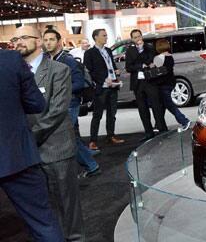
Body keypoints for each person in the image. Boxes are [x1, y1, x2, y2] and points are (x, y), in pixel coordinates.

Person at [13, 26, 84, 241]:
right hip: (27, 155)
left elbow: (57, 111)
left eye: (24, 37)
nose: (18, 42)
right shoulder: (13, 73)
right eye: (15, 39)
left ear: (39, 41)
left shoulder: (58, 70)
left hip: (56, 149)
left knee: (68, 208)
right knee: (41, 210)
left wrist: (28, 139)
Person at [0, 49, 64, 241]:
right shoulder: (10, 59)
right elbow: (36, 103)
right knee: (42, 222)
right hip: (15, 155)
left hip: (14, 156)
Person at [42, 29, 101, 178]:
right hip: (57, 104)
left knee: (68, 138)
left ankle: (91, 165)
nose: (48, 42)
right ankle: (90, 161)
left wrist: (57, 90)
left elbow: (79, 83)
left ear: (59, 41)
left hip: (70, 103)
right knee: (72, 136)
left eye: (51, 39)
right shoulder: (47, 60)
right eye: (46, 40)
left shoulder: (67, 60)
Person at [83, 29, 125, 150]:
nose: (106, 37)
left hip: (113, 85)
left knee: (112, 113)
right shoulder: (89, 53)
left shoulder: (107, 50)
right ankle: (93, 141)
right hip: (101, 87)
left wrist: (116, 72)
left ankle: (111, 136)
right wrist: (103, 80)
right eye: (104, 35)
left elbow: (111, 64)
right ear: (96, 37)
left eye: (106, 35)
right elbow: (89, 71)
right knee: (97, 115)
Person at [125, 29, 167, 141]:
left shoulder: (149, 47)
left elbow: (152, 61)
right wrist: (141, 65)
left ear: (141, 36)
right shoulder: (129, 50)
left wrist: (142, 51)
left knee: (156, 106)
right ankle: (148, 132)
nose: (138, 39)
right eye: (135, 37)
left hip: (150, 81)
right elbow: (128, 67)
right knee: (142, 109)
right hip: (137, 83)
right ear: (132, 39)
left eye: (139, 36)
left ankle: (162, 129)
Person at [154, 38, 191, 129]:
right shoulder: (170, 56)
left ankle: (184, 121)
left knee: (169, 105)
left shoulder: (158, 58)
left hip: (163, 84)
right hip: (171, 82)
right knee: (163, 104)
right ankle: (158, 124)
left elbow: (157, 72)